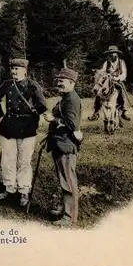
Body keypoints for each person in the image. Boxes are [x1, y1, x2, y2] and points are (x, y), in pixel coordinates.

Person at [0, 58, 48, 207]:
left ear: (25, 71)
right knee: (8, 159)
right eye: (13, 69)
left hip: (27, 129)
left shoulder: (33, 86)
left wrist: (34, 117)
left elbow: (42, 105)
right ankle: (9, 188)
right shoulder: (8, 84)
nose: (14, 72)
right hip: (8, 127)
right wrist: (0, 115)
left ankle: (24, 191)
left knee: (24, 161)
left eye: (18, 69)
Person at [43, 68, 83, 227]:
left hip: (66, 145)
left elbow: (72, 125)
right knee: (64, 180)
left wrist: (53, 120)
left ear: (71, 83)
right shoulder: (65, 98)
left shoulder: (72, 99)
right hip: (59, 143)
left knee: (68, 182)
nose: (58, 83)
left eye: (62, 81)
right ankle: (67, 210)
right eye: (58, 80)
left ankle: (70, 216)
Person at [88, 45, 131, 121]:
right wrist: (98, 72)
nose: (111, 55)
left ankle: (124, 111)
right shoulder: (106, 63)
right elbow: (103, 72)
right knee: (99, 93)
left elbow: (124, 74)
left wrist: (117, 78)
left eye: (113, 53)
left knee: (122, 92)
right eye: (110, 53)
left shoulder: (121, 62)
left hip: (118, 81)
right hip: (108, 81)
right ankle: (96, 112)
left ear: (117, 54)